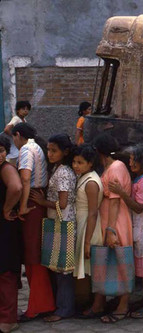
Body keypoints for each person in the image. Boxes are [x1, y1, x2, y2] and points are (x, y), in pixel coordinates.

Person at [108, 143, 143, 319]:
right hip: (141, 224)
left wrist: (121, 192)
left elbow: (138, 207)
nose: (131, 164)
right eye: (130, 160)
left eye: (134, 161)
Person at [30, 134, 77, 322]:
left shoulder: (64, 171)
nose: (49, 154)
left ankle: (65, 309)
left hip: (64, 223)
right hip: (56, 222)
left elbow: (63, 203)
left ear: (64, 152)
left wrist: (43, 202)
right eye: (48, 150)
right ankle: (60, 306)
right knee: (57, 267)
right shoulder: (58, 168)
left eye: (53, 150)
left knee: (63, 269)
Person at [13, 123, 55, 321]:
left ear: (18, 135)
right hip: (38, 200)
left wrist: (22, 206)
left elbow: (25, 178)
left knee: (33, 257)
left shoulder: (26, 149)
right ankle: (41, 303)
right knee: (35, 256)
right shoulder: (37, 146)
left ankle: (38, 305)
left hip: (31, 203)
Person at [91, 133, 133, 324]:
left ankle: (123, 305)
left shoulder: (115, 168)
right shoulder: (114, 166)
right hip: (110, 219)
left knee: (120, 261)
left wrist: (111, 230)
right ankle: (100, 302)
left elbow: (115, 202)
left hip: (116, 221)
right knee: (107, 261)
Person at [72, 144, 104, 311]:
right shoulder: (84, 176)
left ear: (90, 163)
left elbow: (93, 213)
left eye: (80, 162)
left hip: (89, 226)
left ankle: (88, 304)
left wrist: (87, 242)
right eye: (75, 162)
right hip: (83, 222)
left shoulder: (91, 182)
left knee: (86, 269)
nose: (76, 165)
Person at [0, 134, 23, 333]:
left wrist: (7, 209)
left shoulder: (6, 169)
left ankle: (7, 319)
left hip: (5, 226)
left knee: (6, 271)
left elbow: (16, 187)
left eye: (1, 150)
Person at [4, 101, 30, 165]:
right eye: (23, 109)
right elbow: (6, 129)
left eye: (27, 109)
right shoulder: (16, 119)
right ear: (18, 110)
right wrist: (15, 137)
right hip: (15, 144)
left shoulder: (24, 120)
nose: (26, 111)